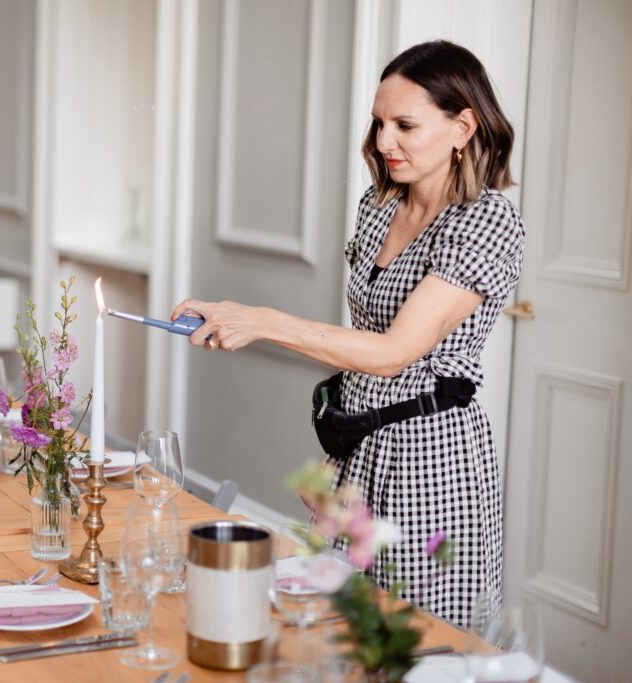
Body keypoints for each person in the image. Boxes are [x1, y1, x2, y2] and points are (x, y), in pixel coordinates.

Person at [171, 40, 524, 625]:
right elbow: (364, 348)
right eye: (380, 123)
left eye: (405, 125)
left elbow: (392, 354)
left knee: (413, 642)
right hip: (358, 451)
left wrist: (259, 321)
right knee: (335, 630)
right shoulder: (380, 205)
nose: (384, 142)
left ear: (463, 126)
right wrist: (335, 464)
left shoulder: (487, 220)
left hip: (431, 465)